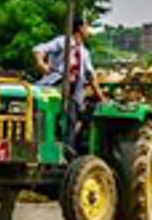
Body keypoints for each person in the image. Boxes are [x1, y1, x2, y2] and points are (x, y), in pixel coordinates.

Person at [33, 17, 104, 153]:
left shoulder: (84, 53)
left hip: (74, 92)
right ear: (80, 28)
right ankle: (45, 146)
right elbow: (39, 50)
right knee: (50, 117)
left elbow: (91, 77)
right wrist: (41, 63)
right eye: (87, 27)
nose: (88, 31)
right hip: (55, 87)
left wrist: (101, 97)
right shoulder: (63, 42)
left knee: (72, 119)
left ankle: (67, 151)